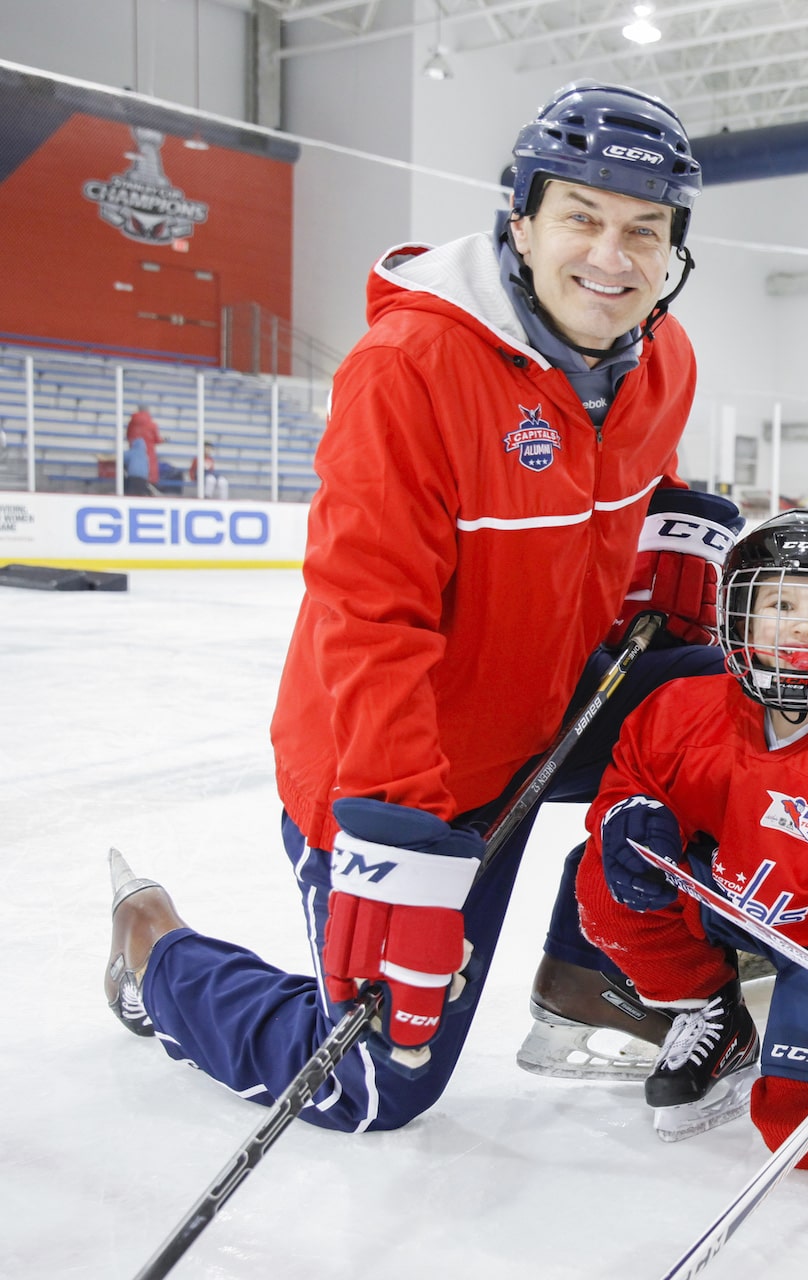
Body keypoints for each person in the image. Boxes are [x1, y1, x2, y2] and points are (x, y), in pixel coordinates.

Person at [103, 80, 745, 1132]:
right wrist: (397, 825)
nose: (612, 257)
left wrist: (670, 527)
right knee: (374, 1085)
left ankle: (596, 968)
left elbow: (622, 482)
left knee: (746, 712)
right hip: (403, 761)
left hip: (550, 709)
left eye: (645, 228)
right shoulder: (409, 369)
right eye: (582, 216)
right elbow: (368, 613)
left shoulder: (661, 359)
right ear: (522, 219)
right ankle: (156, 950)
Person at [575, 510, 808, 1168]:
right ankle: (715, 1016)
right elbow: (629, 780)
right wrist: (627, 812)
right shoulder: (679, 710)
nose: (804, 626)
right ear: (741, 616)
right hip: (729, 904)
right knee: (608, 883)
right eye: (780, 603)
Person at [123, 404, 162, 497]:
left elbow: (128, 436)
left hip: (132, 454)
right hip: (148, 453)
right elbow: (157, 439)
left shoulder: (131, 423)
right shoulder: (152, 424)